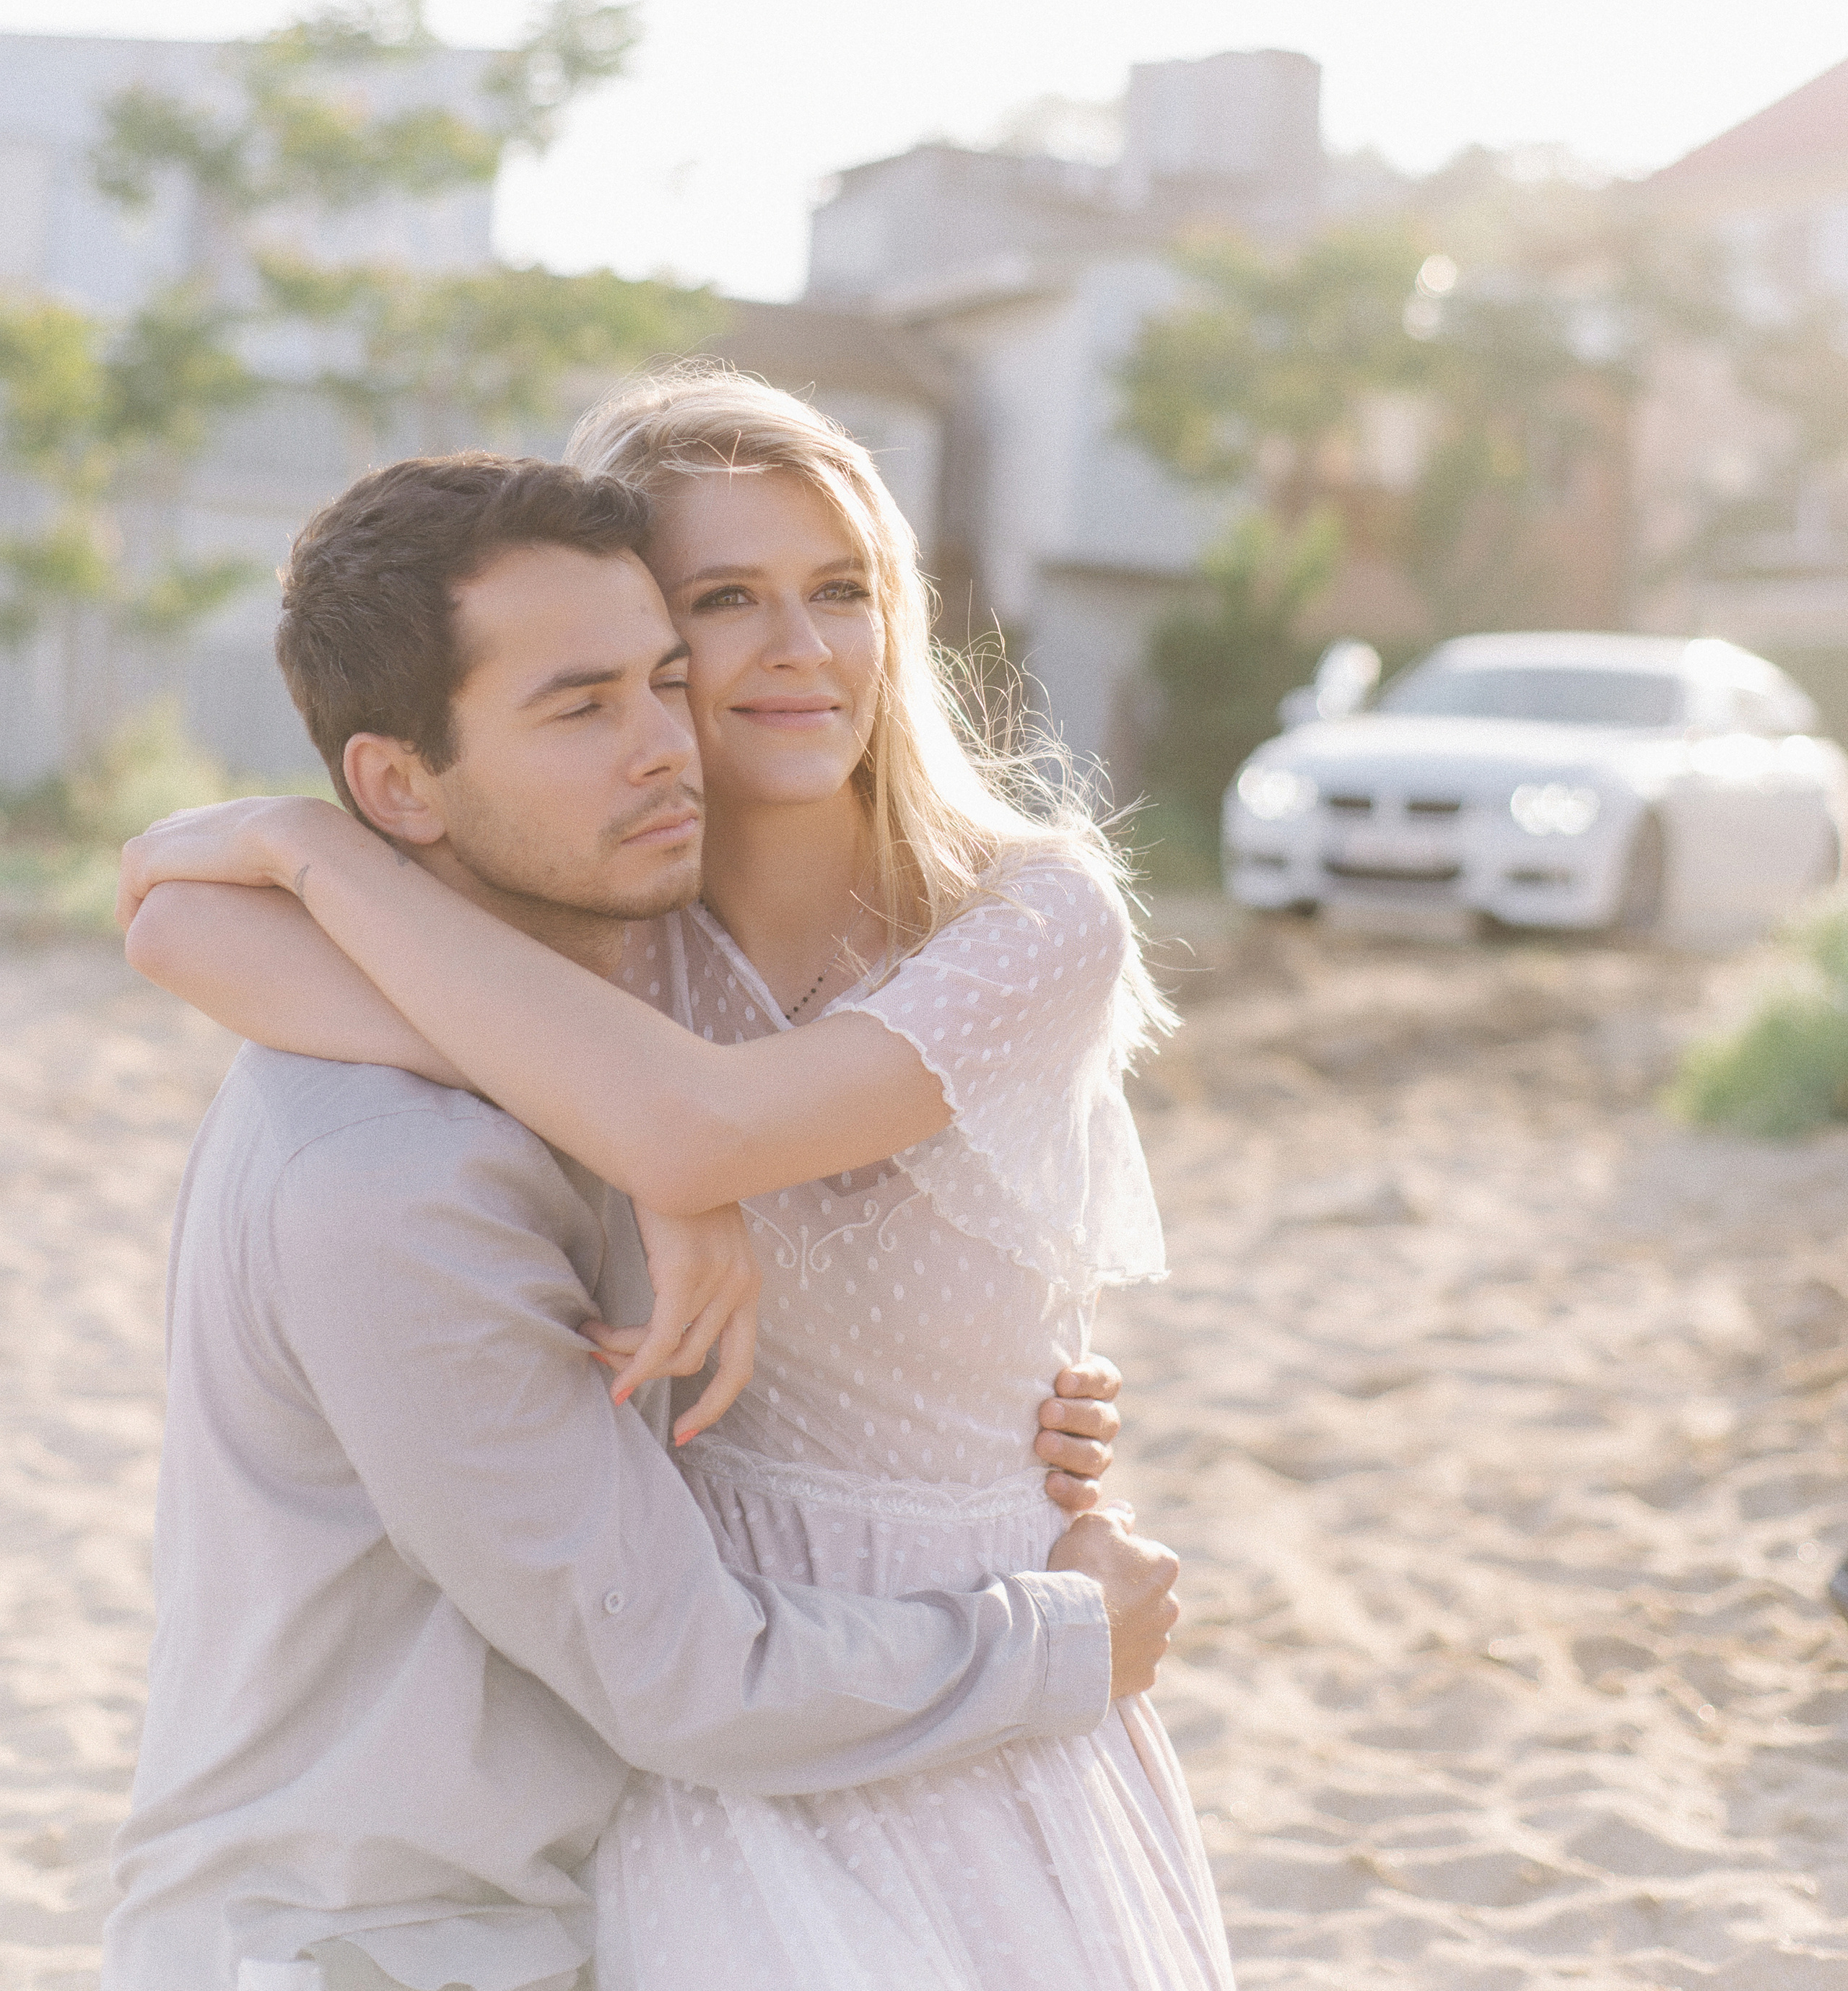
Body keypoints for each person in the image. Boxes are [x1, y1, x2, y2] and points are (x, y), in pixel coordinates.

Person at [123, 370, 1235, 1989]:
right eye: (722, 602)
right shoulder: (603, 954)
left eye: (843, 589)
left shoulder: (1022, 915)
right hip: (707, 1686)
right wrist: (643, 1141)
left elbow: (698, 1123)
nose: (797, 647)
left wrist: (659, 1143)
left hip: (934, 1636)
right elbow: (172, 916)